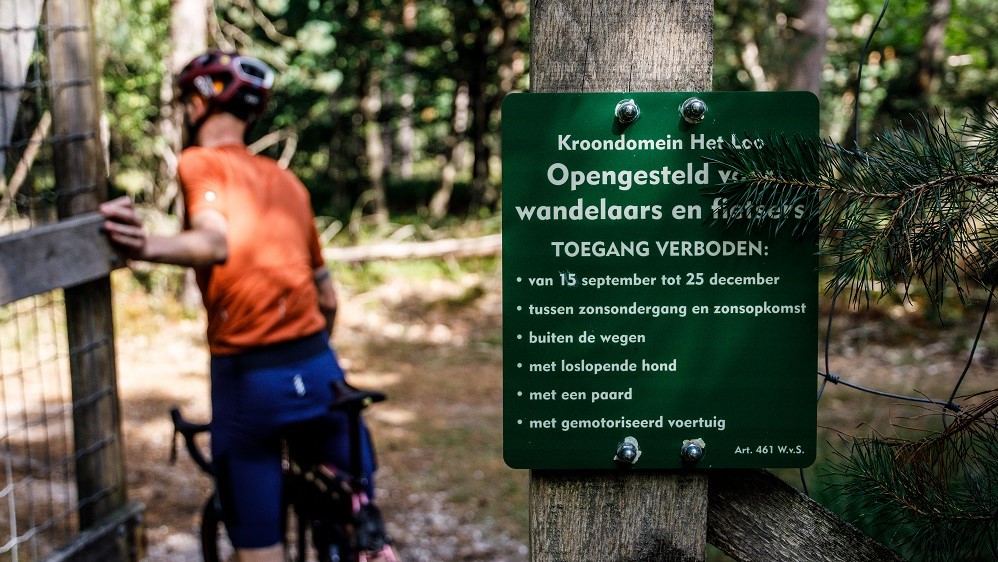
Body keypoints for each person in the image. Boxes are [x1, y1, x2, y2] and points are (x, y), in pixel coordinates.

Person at [100, 51, 375, 562]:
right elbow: (328, 298)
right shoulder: (288, 182)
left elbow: (213, 242)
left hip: (250, 379)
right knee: (354, 514)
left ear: (199, 103)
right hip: (319, 369)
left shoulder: (199, 162)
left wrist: (144, 246)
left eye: (187, 101)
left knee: (258, 542)